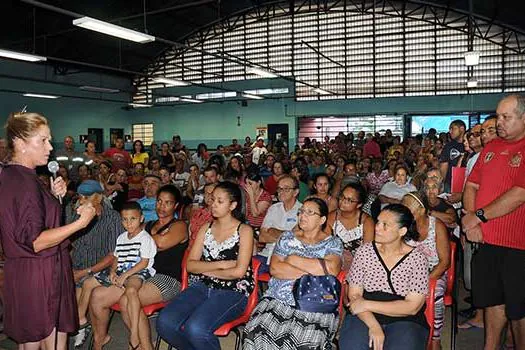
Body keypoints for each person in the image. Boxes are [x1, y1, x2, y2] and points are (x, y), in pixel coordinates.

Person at [0, 112, 96, 349]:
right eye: (42, 140)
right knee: (45, 341)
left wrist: (53, 198)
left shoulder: (15, 176)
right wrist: (80, 223)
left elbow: (28, 222)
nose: (50, 147)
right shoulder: (24, 183)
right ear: (20, 143)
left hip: (30, 271)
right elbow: (35, 241)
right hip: (41, 274)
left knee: (33, 341)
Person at [156, 181, 254, 350]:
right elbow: (190, 266)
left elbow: (238, 272)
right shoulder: (205, 228)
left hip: (233, 291)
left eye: (219, 201)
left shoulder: (244, 231)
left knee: (197, 328)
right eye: (212, 199)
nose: (213, 204)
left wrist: (207, 269)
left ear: (233, 205)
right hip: (203, 285)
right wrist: (222, 265)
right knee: (165, 322)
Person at [90, 185, 188, 350]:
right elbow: (127, 243)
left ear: (176, 205)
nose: (161, 206)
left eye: (167, 203)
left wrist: (143, 239)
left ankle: (144, 346)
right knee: (97, 295)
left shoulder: (179, 225)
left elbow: (162, 243)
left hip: (167, 279)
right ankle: (99, 340)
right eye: (159, 202)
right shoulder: (149, 225)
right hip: (140, 275)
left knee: (127, 300)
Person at [462, 95, 525, 349]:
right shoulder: (491, 147)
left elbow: (519, 194)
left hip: (517, 244)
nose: (499, 122)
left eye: (505, 117)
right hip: (486, 240)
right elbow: (471, 185)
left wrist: (478, 217)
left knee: (518, 309)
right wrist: (470, 220)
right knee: (492, 302)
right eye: (498, 116)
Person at [243, 198, 343, 350]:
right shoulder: (287, 238)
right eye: (301, 211)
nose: (303, 215)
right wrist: (314, 273)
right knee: (255, 334)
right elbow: (276, 269)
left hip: (316, 301)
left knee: (304, 343)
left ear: (322, 219)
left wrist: (292, 259)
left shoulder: (333, 243)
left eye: (310, 212)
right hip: (278, 298)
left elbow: (332, 269)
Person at [339, 204, 429, 350]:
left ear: (402, 231)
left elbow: (412, 307)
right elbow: (355, 296)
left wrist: (367, 304)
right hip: (364, 315)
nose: (377, 227)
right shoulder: (365, 252)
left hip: (405, 317)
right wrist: (374, 326)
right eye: (378, 222)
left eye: (385, 225)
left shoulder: (417, 259)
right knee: (353, 346)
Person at [76, 202, 157, 349]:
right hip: (121, 271)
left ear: (141, 218)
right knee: (88, 283)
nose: (128, 223)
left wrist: (125, 275)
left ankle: (133, 334)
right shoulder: (121, 238)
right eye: (125, 219)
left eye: (132, 219)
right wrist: (113, 272)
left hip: (137, 272)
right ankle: (82, 320)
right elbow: (116, 258)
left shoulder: (145, 238)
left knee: (131, 290)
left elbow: (144, 263)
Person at [402, 192, 450, 350]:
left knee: (434, 293)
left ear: (421, 210)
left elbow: (444, 262)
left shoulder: (437, 226)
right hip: (408, 272)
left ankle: (435, 337)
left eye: (407, 207)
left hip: (433, 272)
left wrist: (424, 282)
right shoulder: (403, 227)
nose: (403, 210)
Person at [256, 175, 302, 273]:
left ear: (295, 192)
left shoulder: (302, 211)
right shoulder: (274, 208)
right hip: (266, 254)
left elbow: (297, 240)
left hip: (287, 258)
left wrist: (272, 231)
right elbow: (262, 237)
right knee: (246, 272)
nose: (281, 192)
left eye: (286, 189)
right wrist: (287, 235)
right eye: (279, 189)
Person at [326, 183, 374, 270]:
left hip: (359, 267)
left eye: (349, 200)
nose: (343, 201)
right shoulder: (331, 217)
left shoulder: (367, 222)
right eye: (342, 197)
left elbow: (368, 253)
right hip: (335, 264)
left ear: (359, 205)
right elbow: (325, 246)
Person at [439, 120, 466, 193]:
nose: (450, 132)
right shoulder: (448, 146)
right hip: (450, 184)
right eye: (449, 129)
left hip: (467, 184)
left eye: (453, 128)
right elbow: (443, 167)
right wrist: (442, 184)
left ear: (462, 129)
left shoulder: (470, 145)